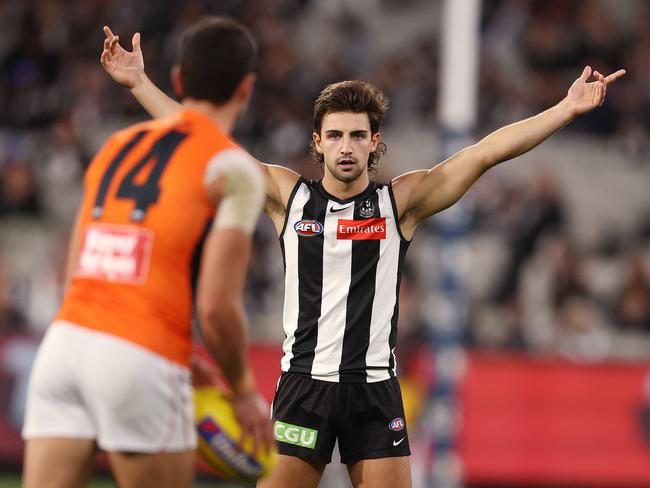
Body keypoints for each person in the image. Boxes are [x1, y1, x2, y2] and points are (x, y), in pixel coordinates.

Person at [100, 25, 625, 488]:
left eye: (357, 135)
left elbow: (485, 152)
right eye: (335, 136)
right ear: (318, 143)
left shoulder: (402, 202)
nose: (346, 146)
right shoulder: (289, 197)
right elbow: (205, 144)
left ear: (375, 142)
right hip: (303, 386)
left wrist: (567, 108)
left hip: (375, 391)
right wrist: (139, 84)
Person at [22, 17, 274, 488]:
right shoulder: (236, 168)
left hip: (64, 347)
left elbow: (77, 264)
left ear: (178, 80)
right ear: (247, 88)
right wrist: (242, 391)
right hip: (141, 355)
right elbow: (217, 308)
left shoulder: (116, 144)